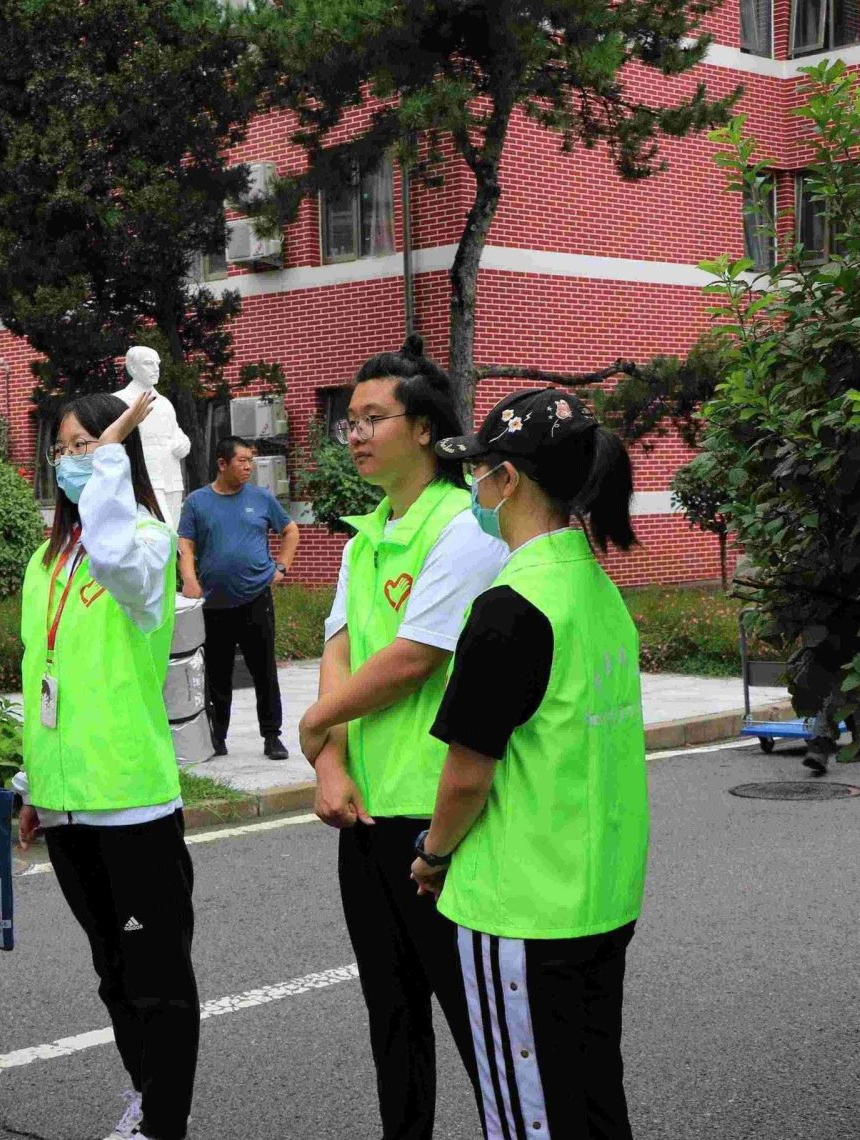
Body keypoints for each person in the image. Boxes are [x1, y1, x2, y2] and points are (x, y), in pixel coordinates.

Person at [412, 387, 648, 1140]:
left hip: (520, 910)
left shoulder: (512, 606)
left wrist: (432, 854)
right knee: (592, 1100)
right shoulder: (596, 589)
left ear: (507, 479)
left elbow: (467, 774)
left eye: (477, 471)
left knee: (530, 1118)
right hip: (599, 897)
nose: (472, 487)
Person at [295, 335, 507, 1140]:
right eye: (348, 420)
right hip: (367, 813)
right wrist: (331, 763)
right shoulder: (363, 538)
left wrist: (314, 723)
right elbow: (340, 649)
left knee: (475, 1018)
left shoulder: (468, 526)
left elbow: (417, 657)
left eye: (371, 418)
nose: (353, 433)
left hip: (439, 814)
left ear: (423, 428)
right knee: (391, 1013)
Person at [13, 391, 198, 1140]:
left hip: (131, 802)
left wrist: (112, 460)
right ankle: (147, 1098)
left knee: (157, 979)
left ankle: (164, 1123)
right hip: (67, 806)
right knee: (113, 975)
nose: (71, 460)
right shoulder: (45, 561)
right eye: (62, 449)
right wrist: (35, 786)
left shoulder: (145, 543)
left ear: (121, 454)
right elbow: (42, 674)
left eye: (85, 444)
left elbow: (115, 552)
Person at [177, 435, 300, 759]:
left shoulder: (261, 498)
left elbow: (290, 530)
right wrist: (189, 579)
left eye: (251, 461)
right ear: (222, 463)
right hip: (214, 605)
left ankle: (272, 737)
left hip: (256, 599)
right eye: (242, 461)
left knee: (264, 672)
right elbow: (185, 544)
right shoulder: (197, 502)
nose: (248, 467)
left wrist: (282, 567)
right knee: (217, 675)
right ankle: (217, 738)